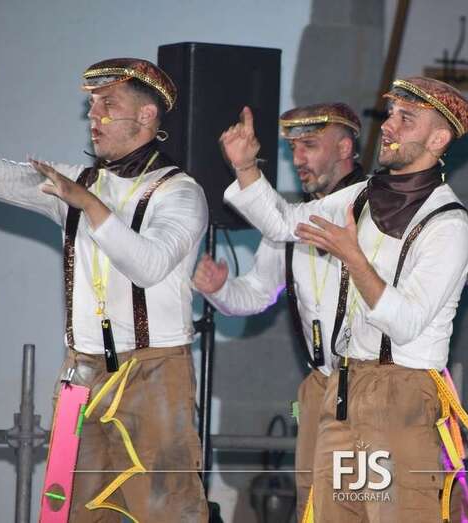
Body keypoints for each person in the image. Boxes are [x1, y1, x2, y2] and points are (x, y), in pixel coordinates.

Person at [218, 76, 468, 521]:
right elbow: (284, 223)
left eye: (406, 119)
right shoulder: (360, 196)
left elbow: (405, 322)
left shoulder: (448, 223)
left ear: (438, 139)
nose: (389, 126)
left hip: (402, 392)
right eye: (391, 115)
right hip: (344, 388)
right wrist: (245, 168)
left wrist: (353, 258)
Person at [0, 58, 208, 522]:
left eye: (108, 104)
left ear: (146, 116)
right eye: (92, 105)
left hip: (153, 372)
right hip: (79, 373)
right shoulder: (75, 184)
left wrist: (89, 205)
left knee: (165, 511)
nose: (93, 116)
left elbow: (149, 266)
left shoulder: (180, 192)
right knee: (67, 511)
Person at [192, 102, 366, 520]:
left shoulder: (378, 206)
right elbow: (256, 294)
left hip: (374, 385)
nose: (298, 158)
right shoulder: (290, 221)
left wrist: (246, 168)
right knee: (313, 502)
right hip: (320, 385)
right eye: (292, 148)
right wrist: (220, 289)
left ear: (344, 148)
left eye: (310, 145)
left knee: (370, 503)